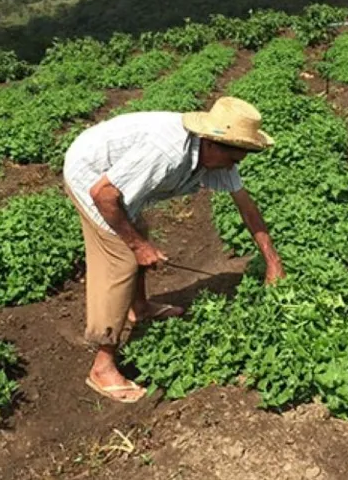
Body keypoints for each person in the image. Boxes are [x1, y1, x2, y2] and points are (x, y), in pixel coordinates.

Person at [62, 96, 285, 403]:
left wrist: (272, 261)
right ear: (213, 144)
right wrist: (139, 247)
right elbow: (103, 194)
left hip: (114, 182)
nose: (235, 166)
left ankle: (139, 309)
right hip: (91, 173)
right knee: (122, 259)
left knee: (138, 230)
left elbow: (246, 207)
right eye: (234, 159)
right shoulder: (166, 152)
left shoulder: (220, 153)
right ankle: (102, 365)